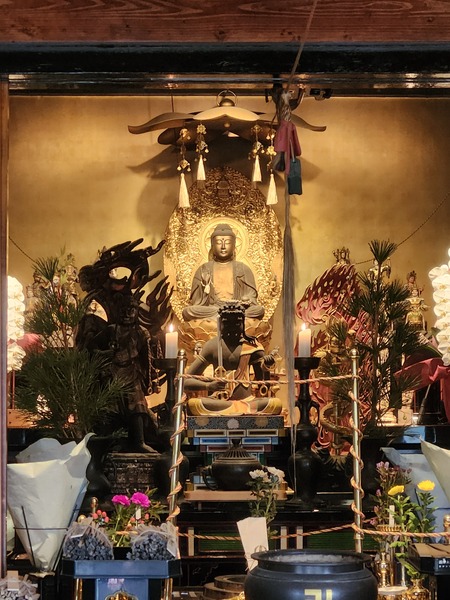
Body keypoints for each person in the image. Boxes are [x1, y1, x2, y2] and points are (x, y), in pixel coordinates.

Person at [184, 302, 282, 415]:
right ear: (219, 323)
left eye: (237, 323)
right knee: (194, 404)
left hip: (247, 401)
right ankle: (239, 411)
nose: (232, 327)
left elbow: (263, 384)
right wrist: (208, 386)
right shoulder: (212, 346)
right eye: (227, 323)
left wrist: (266, 367)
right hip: (218, 402)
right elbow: (185, 381)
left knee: (274, 404)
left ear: (243, 323)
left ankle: (236, 410)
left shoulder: (252, 346)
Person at [182, 223, 264, 322]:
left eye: (228, 242)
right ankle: (228, 316)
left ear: (234, 245)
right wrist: (204, 287)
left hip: (236, 309)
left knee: (259, 310)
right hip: (214, 309)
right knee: (189, 311)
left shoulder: (243, 269)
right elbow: (196, 302)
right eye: (218, 242)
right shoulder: (203, 269)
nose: (223, 247)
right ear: (212, 245)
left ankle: (226, 316)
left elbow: (251, 298)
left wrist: (246, 300)